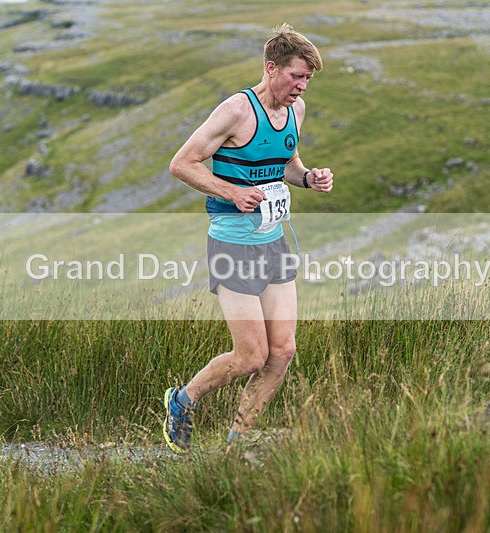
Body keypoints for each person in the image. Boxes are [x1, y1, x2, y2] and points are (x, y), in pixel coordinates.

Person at [164, 23, 334, 453]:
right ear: (271, 68)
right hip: (232, 244)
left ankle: (236, 443)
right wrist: (232, 191)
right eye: (296, 75)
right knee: (250, 357)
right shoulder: (237, 111)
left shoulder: (295, 111)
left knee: (283, 352)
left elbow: (286, 163)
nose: (301, 85)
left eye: (308, 78)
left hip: (272, 241)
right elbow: (182, 163)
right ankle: (183, 400)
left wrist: (309, 178)